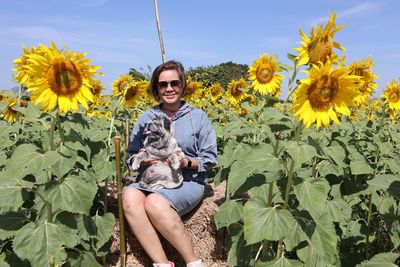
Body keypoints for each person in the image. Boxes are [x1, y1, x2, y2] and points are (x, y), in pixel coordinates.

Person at [123, 60, 218, 267]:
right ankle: (162, 264)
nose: (169, 89)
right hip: (151, 177)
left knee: (155, 203)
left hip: (188, 181)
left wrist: (185, 162)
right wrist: (139, 158)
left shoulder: (197, 117)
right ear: (156, 88)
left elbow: (210, 158)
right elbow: (130, 157)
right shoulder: (148, 117)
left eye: (174, 83)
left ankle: (193, 262)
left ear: (182, 85)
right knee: (129, 196)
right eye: (162, 84)